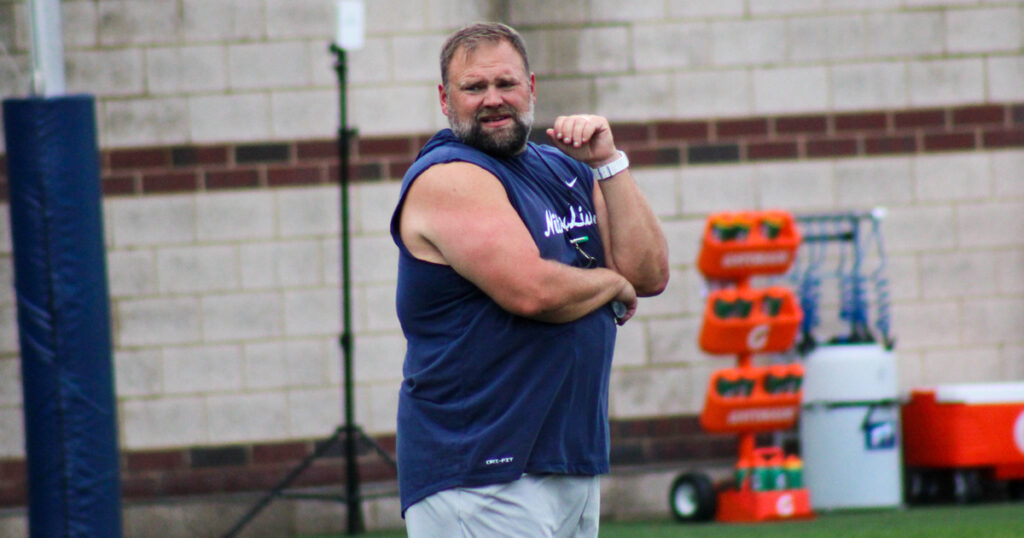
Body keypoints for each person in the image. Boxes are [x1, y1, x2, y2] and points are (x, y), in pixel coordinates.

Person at [389, 22, 669, 537]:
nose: (493, 100)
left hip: (566, 459)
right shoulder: (449, 175)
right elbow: (531, 291)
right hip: (479, 472)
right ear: (445, 99)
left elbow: (648, 273)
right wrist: (611, 284)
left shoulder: (562, 168)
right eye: (474, 88)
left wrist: (608, 163)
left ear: (532, 88)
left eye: (506, 84)